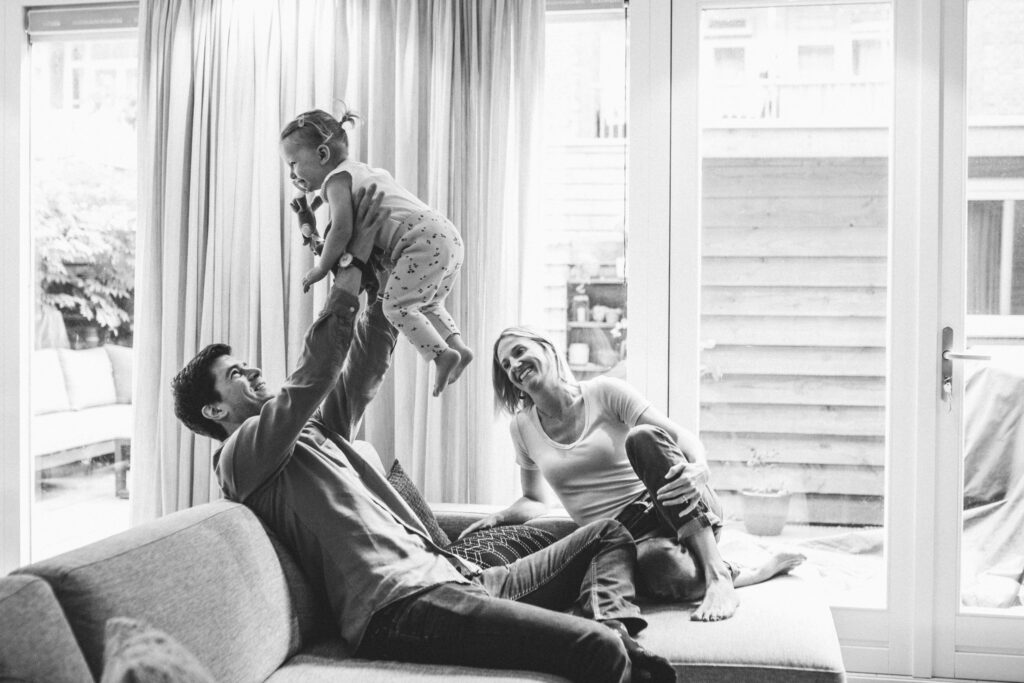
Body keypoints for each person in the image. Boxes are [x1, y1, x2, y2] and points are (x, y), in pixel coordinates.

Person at [170, 188, 675, 683]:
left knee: (610, 534)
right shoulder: (241, 458)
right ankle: (618, 652)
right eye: (235, 373)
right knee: (594, 648)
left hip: (458, 579)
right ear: (214, 410)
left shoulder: (313, 434)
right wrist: (342, 280)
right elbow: (315, 373)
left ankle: (622, 640)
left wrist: (385, 289)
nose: (252, 370)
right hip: (401, 607)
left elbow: (361, 370)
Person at [473, 327, 805, 622]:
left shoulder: (604, 392)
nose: (515, 365)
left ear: (546, 348)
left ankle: (718, 573)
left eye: (519, 352)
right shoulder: (522, 427)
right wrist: (499, 517)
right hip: (623, 536)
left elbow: (680, 438)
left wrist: (700, 468)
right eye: (506, 364)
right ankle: (748, 572)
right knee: (661, 570)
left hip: (671, 500)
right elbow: (535, 500)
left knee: (642, 437)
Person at [279, 107, 471, 397]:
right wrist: (309, 207)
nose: (292, 174)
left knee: (396, 307)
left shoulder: (335, 181)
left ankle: (442, 355)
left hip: (417, 240)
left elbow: (342, 229)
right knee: (428, 304)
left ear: (321, 155)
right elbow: (331, 201)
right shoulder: (361, 172)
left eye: (293, 164)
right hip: (443, 234)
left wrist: (321, 268)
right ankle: (457, 346)